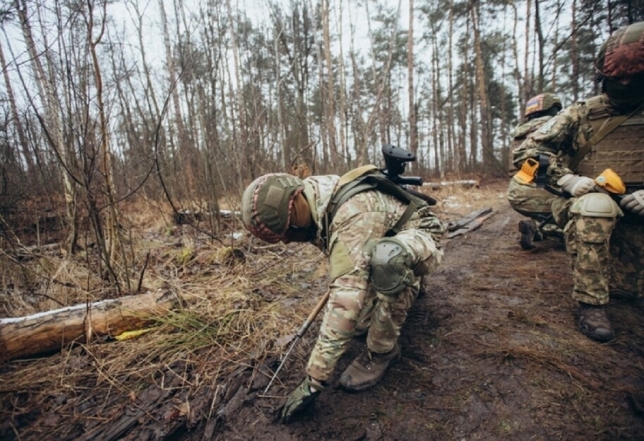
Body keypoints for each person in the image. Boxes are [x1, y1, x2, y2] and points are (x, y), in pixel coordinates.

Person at [241, 159, 445, 423]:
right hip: (384, 235)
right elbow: (349, 266)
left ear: (296, 199)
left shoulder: (351, 212)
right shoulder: (314, 201)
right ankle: (403, 284)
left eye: (288, 228)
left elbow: (346, 299)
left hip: (419, 233)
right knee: (358, 325)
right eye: (281, 237)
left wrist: (315, 379)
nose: (289, 238)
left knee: (387, 261)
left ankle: (382, 352)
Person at [513, 21, 644, 343]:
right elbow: (528, 153)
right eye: (618, 78)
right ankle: (592, 303)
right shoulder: (582, 113)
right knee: (593, 207)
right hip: (592, 200)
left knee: (628, 288)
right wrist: (567, 180)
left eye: (634, 77)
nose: (625, 83)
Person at [508, 93, 564, 250]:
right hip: (553, 189)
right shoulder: (559, 125)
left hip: (518, 192)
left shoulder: (519, 132)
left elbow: (514, 170)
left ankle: (538, 227)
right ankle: (551, 228)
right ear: (553, 109)